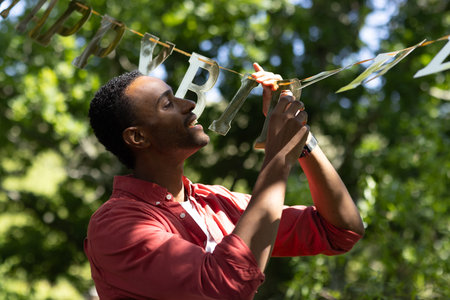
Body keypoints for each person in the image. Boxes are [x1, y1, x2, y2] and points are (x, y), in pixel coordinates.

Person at [84, 63, 365, 300]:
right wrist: (278, 156)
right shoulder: (117, 223)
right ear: (137, 137)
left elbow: (340, 231)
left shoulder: (216, 203)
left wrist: (300, 139)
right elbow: (224, 287)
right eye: (168, 103)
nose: (189, 103)